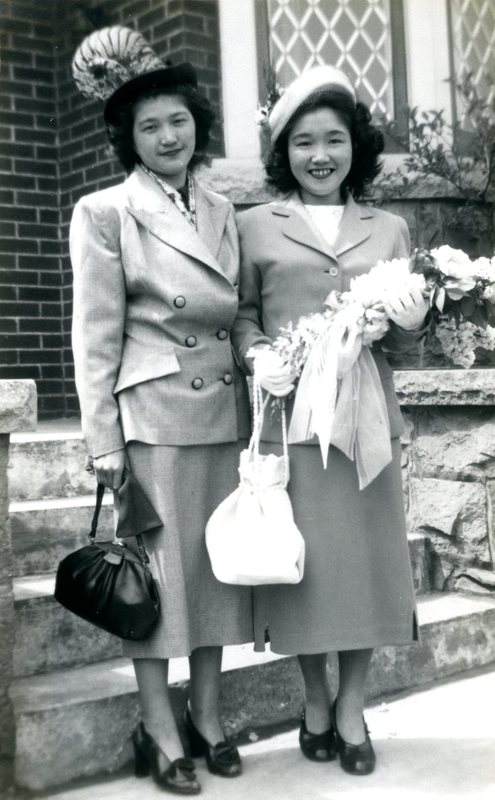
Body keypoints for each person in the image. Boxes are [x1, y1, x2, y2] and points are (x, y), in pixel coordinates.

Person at [70, 26, 253, 795]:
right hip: (152, 420)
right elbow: (95, 333)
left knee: (213, 575)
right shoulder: (106, 212)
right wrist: (102, 442)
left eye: (177, 120)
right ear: (129, 140)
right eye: (149, 126)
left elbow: (239, 304)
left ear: (196, 126)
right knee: (157, 583)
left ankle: (206, 719)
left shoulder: (222, 206)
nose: (167, 135)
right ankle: (156, 727)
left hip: (225, 413)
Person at [232, 66, 429, 777]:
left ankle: (351, 708)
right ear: (283, 151)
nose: (320, 155)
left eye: (334, 140)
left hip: (366, 420)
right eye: (304, 142)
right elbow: (243, 314)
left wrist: (414, 320)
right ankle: (311, 700)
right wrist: (257, 357)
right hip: (290, 416)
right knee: (306, 573)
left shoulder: (390, 227)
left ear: (356, 146)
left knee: (364, 572)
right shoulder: (253, 224)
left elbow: (406, 341)